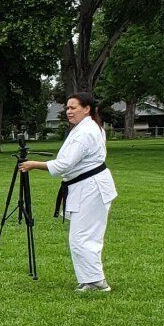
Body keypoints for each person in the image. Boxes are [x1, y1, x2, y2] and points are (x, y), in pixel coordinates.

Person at [20, 92, 118, 292]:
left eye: (73, 107)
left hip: (91, 187)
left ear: (87, 108)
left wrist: (34, 164)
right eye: (67, 108)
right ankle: (91, 280)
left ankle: (96, 282)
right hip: (85, 186)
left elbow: (64, 164)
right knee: (83, 235)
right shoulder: (85, 128)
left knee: (83, 236)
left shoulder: (86, 131)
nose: (68, 111)